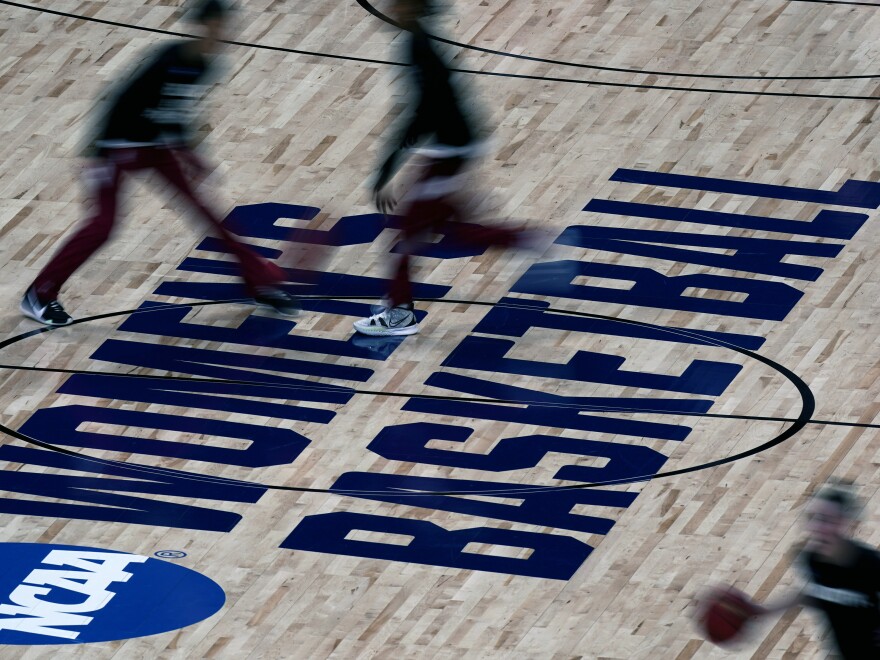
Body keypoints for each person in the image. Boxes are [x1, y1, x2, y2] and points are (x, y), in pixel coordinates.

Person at [21, 0, 298, 327]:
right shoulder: (166, 61)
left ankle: (260, 284)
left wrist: (190, 154)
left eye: (225, 26)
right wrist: (96, 156)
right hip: (114, 148)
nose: (223, 32)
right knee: (103, 225)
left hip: (156, 149)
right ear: (203, 26)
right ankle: (39, 294)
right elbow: (118, 103)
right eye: (217, 25)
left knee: (210, 215)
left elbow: (176, 113)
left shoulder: (206, 66)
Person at [353, 0, 536, 337]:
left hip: (450, 151)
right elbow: (426, 109)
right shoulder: (417, 42)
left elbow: (421, 111)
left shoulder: (418, 47)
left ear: (411, 8)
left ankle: (400, 314)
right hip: (453, 146)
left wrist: (387, 168)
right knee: (453, 228)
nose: (390, 7)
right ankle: (528, 239)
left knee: (408, 234)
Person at [733, 481, 880, 658]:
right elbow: (811, 596)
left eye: (826, 520)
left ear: (844, 523)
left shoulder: (869, 564)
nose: (817, 526)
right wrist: (763, 611)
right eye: (812, 518)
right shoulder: (810, 559)